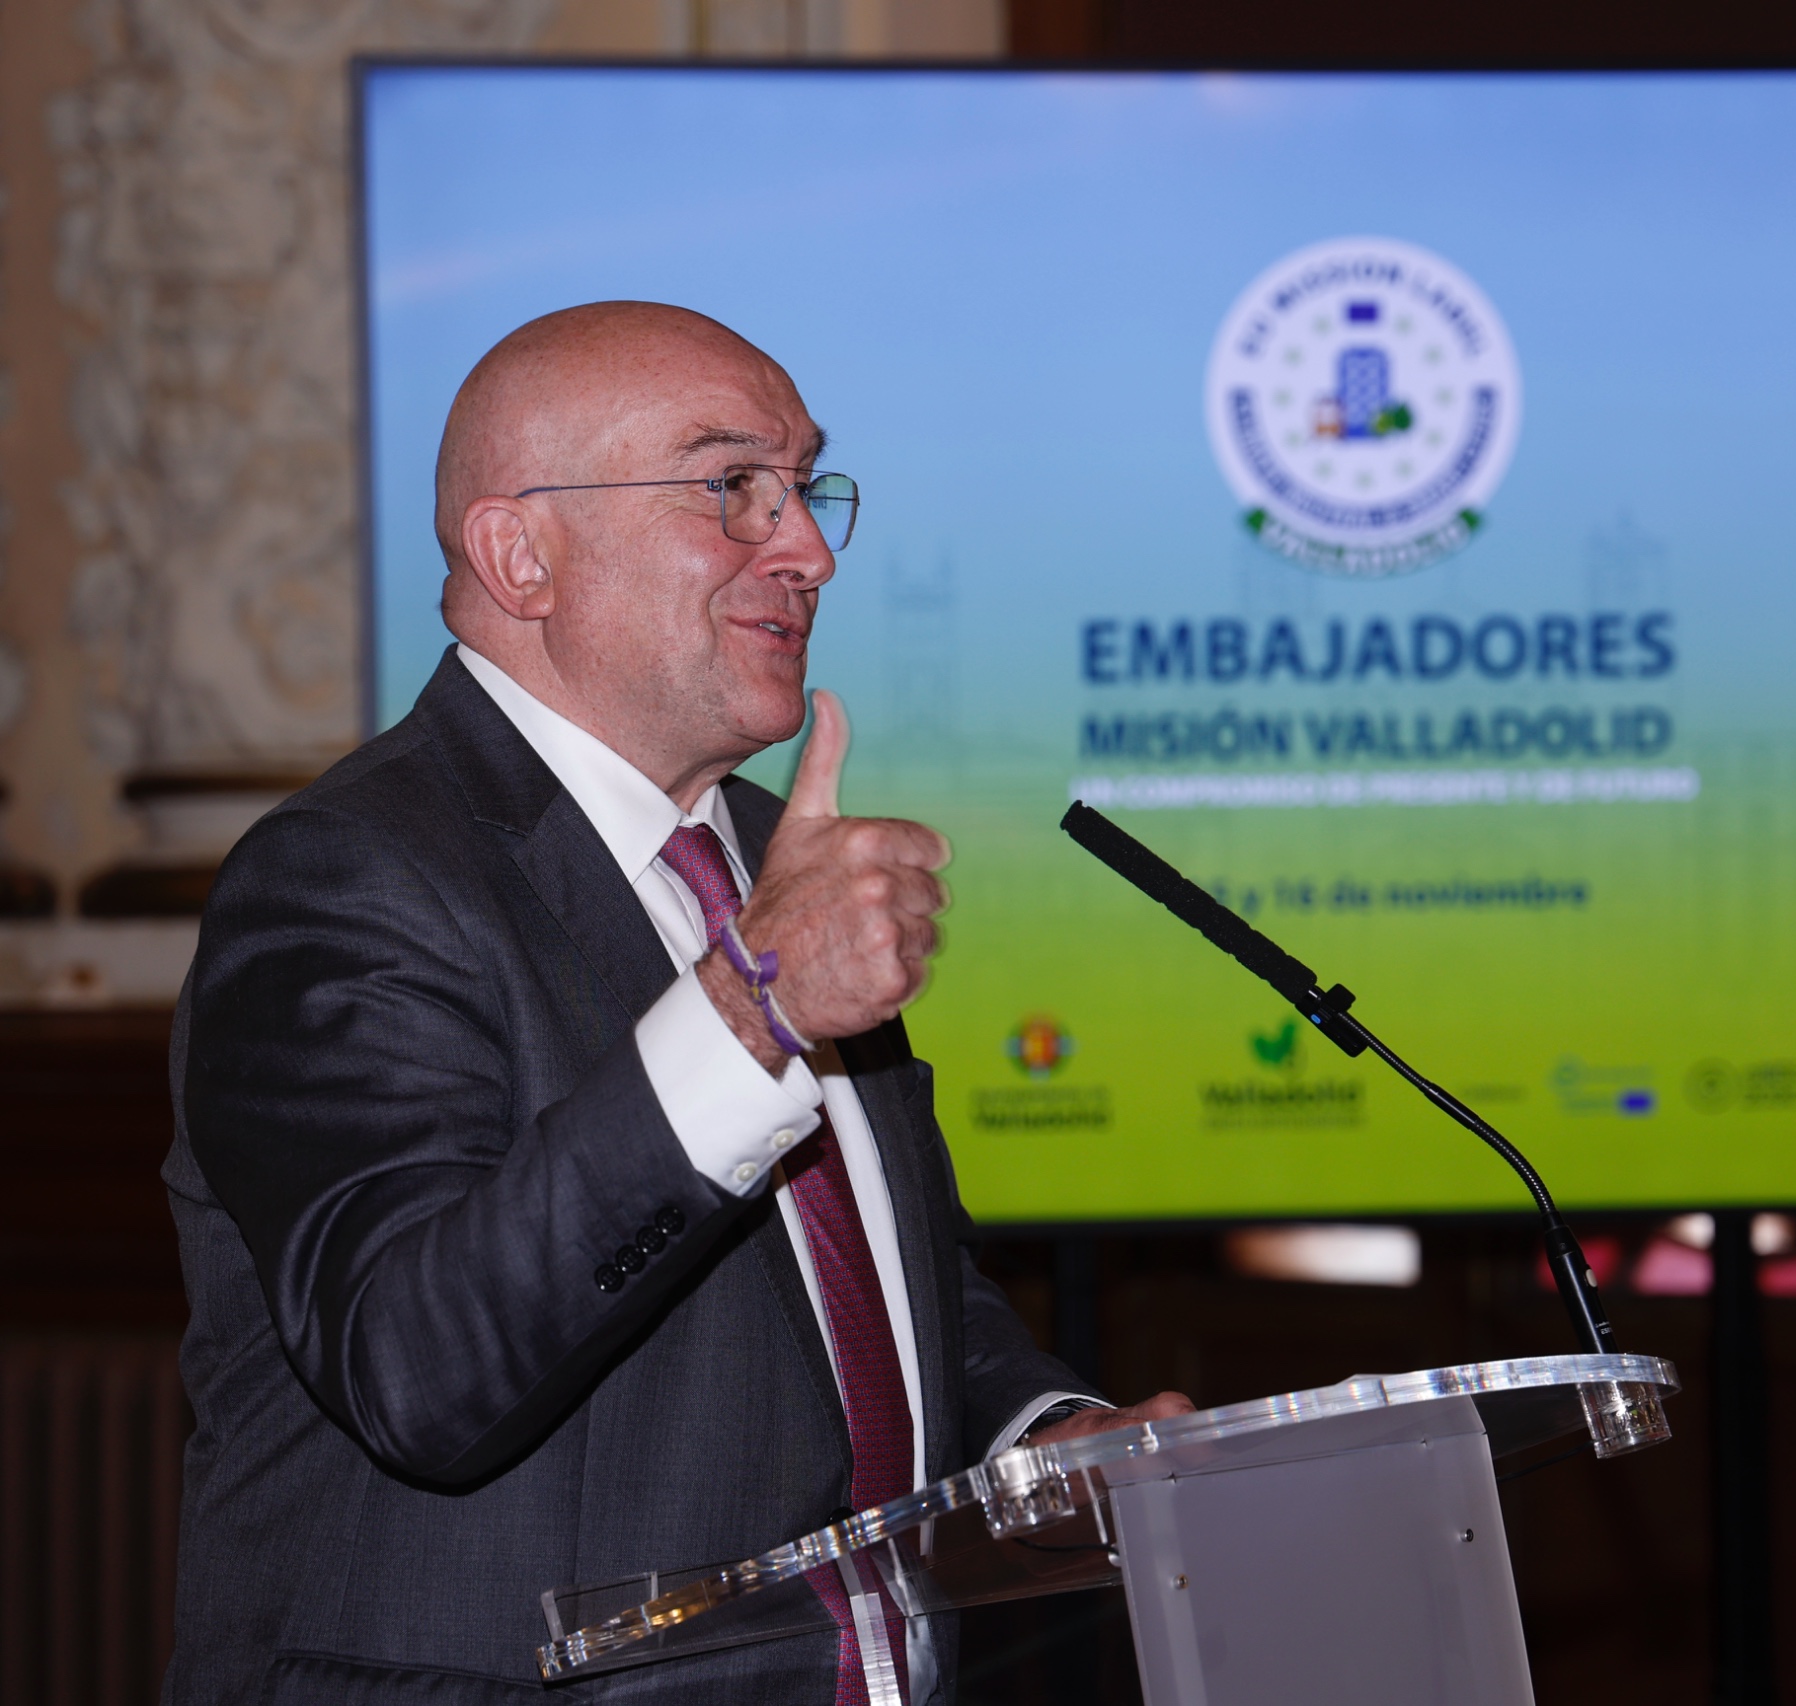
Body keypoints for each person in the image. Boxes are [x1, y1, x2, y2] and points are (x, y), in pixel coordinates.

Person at [162, 301, 1189, 1705]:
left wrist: (1045, 1434)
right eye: (731, 488)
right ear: (520, 551)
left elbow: (876, 1293)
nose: (810, 548)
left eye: (808, 486)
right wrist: (752, 1009)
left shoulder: (768, 859)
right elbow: (422, 1361)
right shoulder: (346, 878)